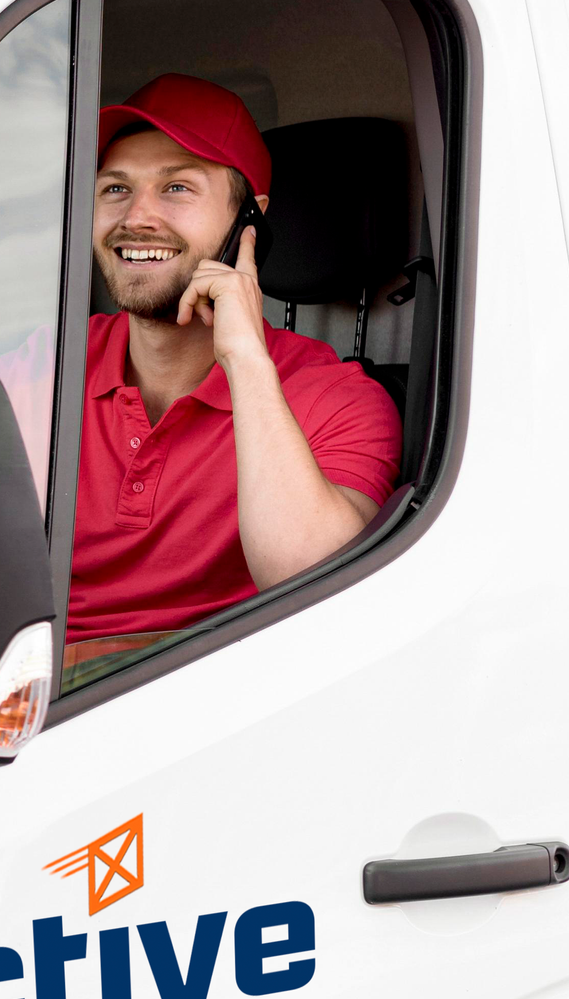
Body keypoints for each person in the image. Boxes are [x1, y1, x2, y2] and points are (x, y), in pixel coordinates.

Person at [65, 73, 401, 680]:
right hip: (21, 702)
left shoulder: (339, 399)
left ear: (251, 220)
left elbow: (315, 598)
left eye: (176, 187)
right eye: (115, 188)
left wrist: (246, 363)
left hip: (217, 702)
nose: (137, 218)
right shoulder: (47, 369)